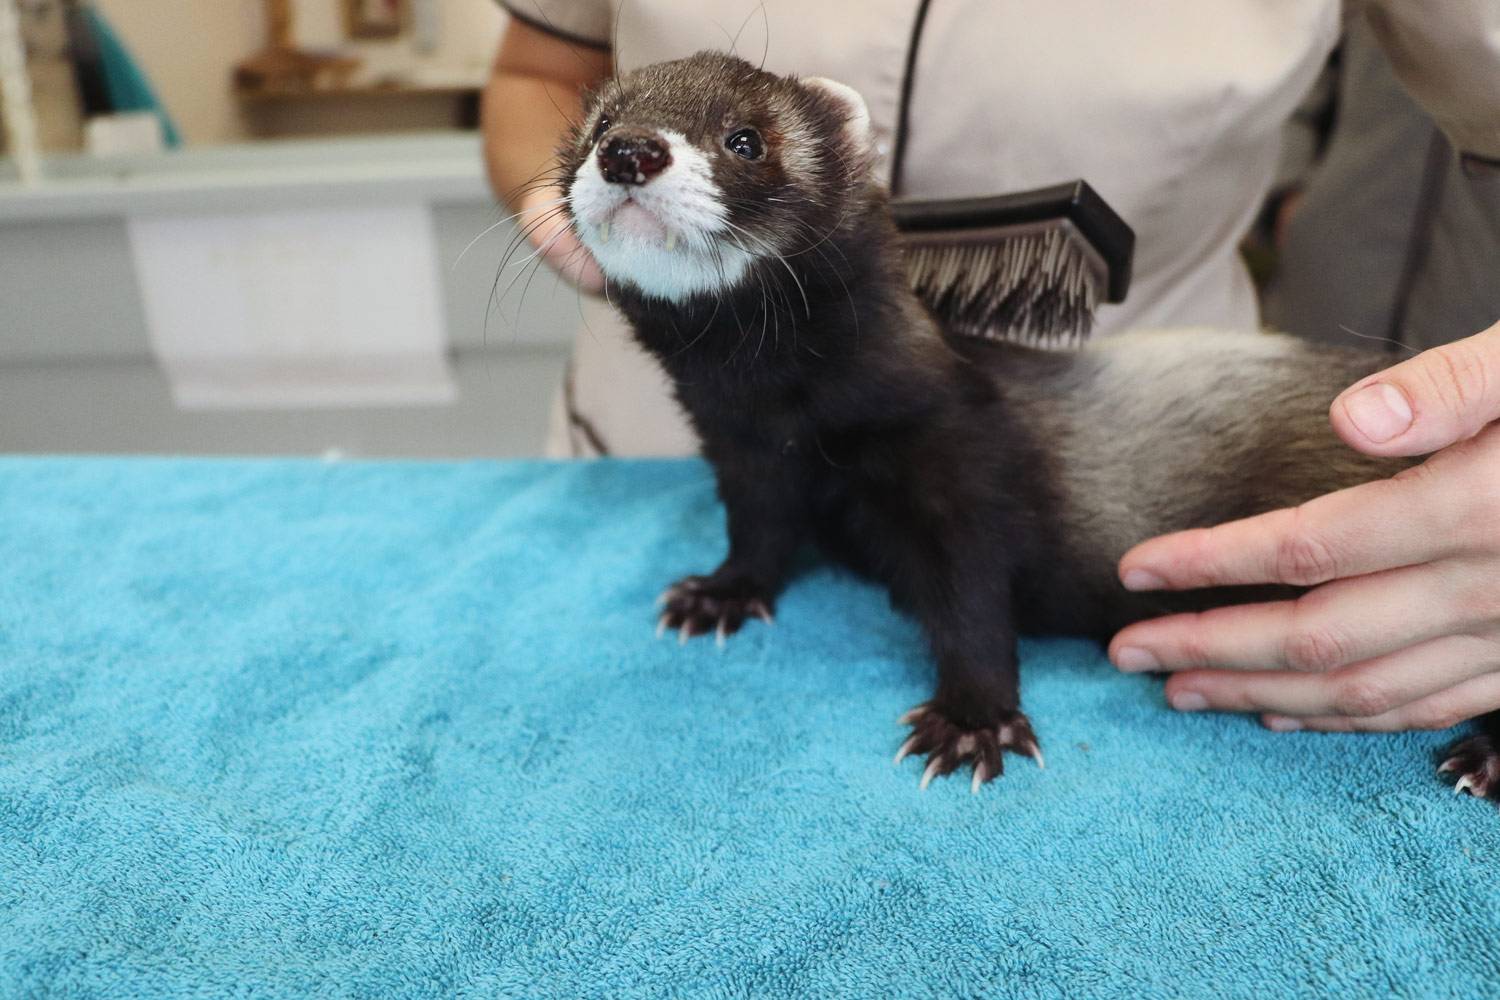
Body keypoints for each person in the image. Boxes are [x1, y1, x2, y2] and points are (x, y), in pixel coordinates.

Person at [483, 1, 1500, 736]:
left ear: (827, 156)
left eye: (747, 143)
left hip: (1156, 445)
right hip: (638, 430)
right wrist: (563, 222)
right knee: (756, 433)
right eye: (608, 139)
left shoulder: (903, 390)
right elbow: (537, 72)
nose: (626, 153)